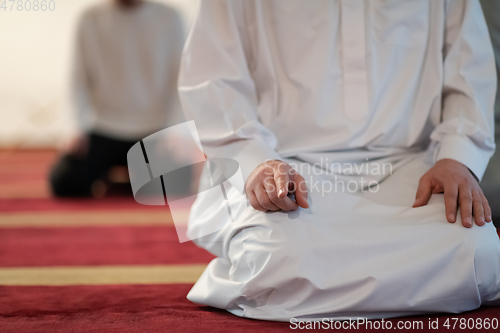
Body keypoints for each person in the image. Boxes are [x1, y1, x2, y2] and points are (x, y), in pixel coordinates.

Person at [178, 0, 500, 322]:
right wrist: (256, 162)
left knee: (478, 252)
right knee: (277, 255)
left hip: (409, 168)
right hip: (283, 169)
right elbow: (213, 81)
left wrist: (456, 158)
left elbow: (468, 72)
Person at [50, 0, 184, 197]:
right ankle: (132, 182)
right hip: (104, 127)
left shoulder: (171, 17)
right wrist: (75, 128)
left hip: (155, 131)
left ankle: (120, 184)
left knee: (179, 182)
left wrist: (178, 131)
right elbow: (78, 79)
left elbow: (180, 80)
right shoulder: (90, 18)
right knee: (64, 180)